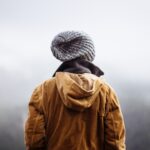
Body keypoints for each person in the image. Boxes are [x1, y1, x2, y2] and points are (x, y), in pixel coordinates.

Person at [24, 31, 126, 150]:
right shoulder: (106, 92)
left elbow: (33, 141)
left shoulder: (42, 91)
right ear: (88, 54)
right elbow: (115, 142)